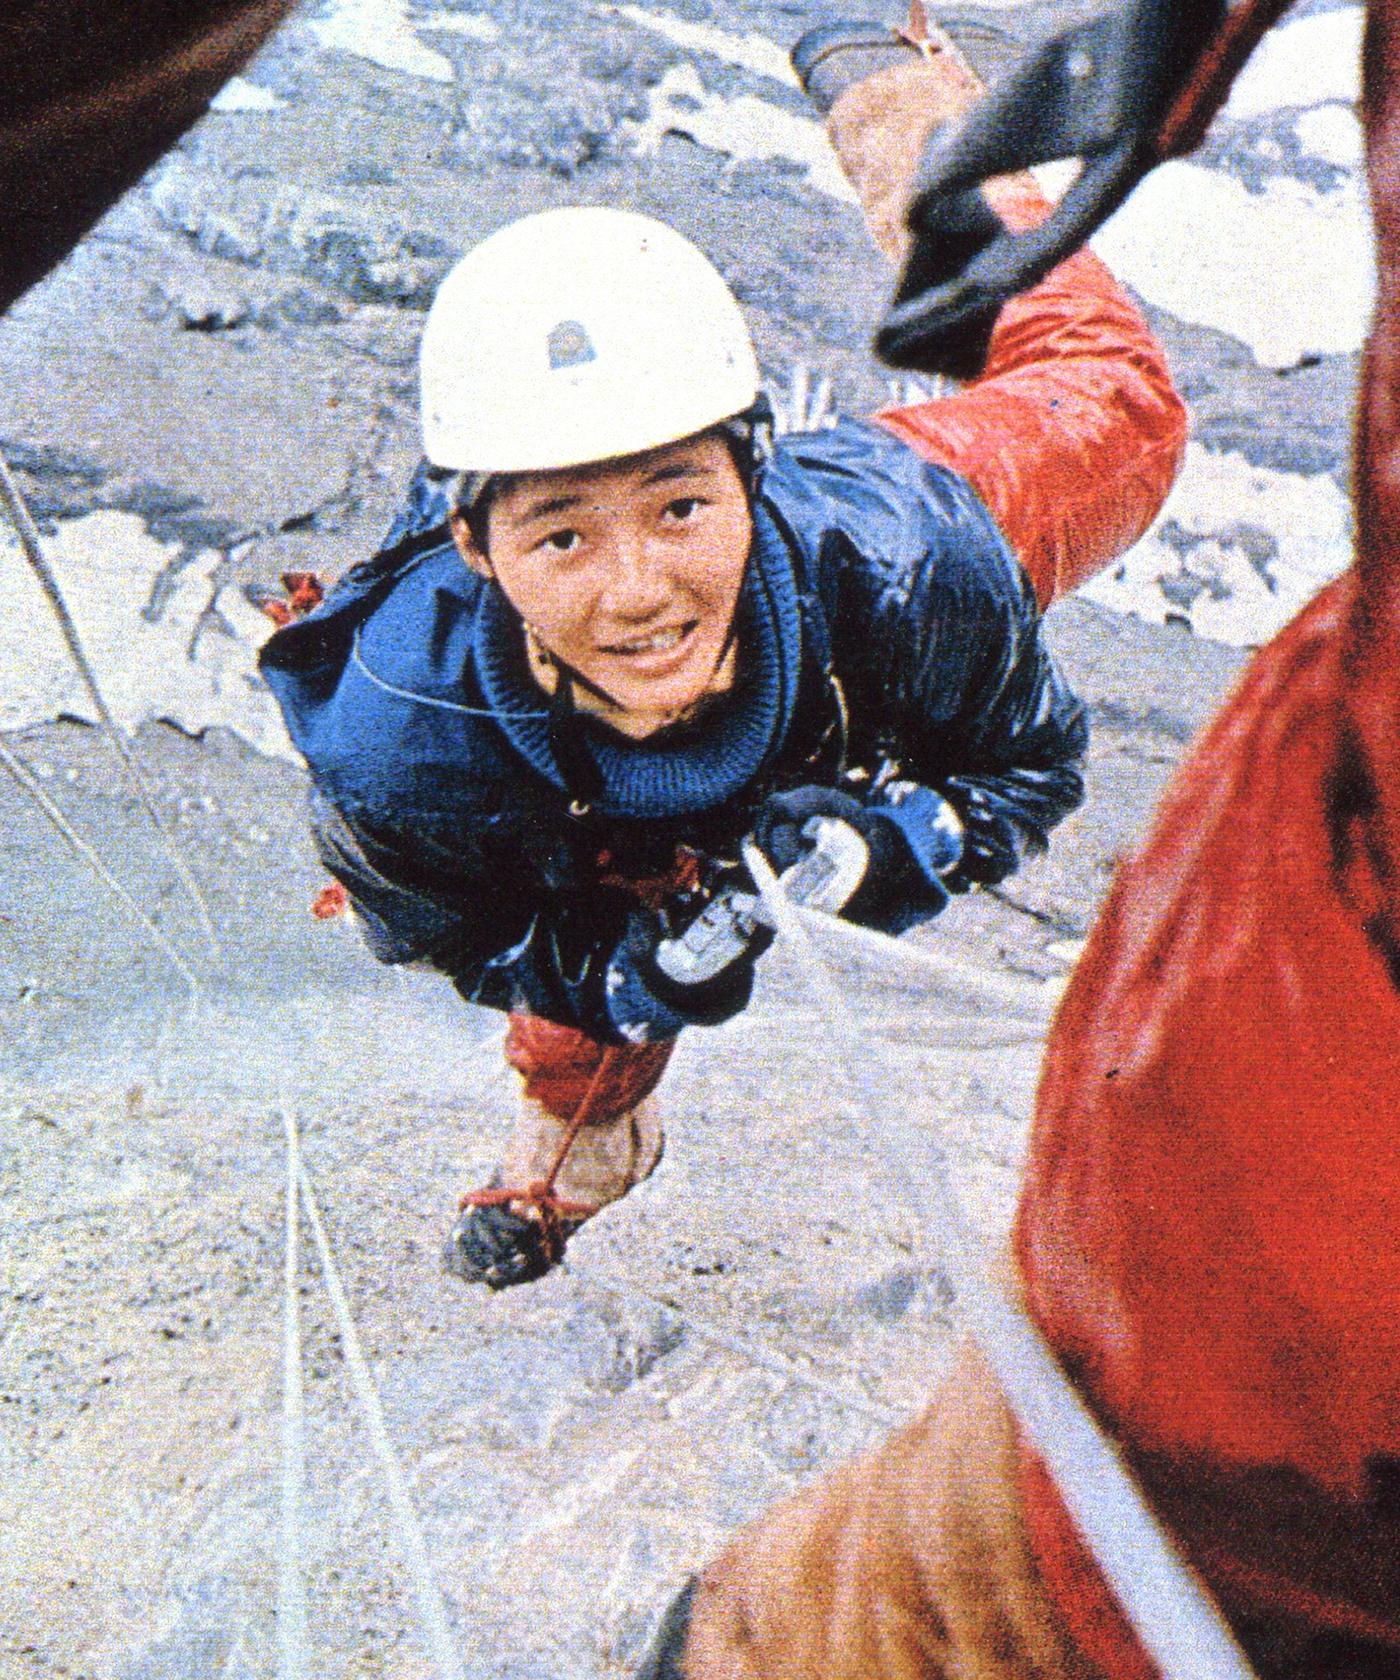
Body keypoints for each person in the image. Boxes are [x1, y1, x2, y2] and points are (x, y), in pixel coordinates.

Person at [634, 5, 1400, 1680]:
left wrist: (900, 113)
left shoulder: (862, 557)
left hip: (1212, 1400)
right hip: (1196, 1316)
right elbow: (1102, 409)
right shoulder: (869, 549)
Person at [258, 13, 1185, 1292]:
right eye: (564, 536)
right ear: (478, 548)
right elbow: (462, 934)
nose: (640, 593)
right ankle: (573, 1148)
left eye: (681, 507)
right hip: (575, 812)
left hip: (864, 557)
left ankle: (913, 126)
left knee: (1113, 398)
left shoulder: (908, 569)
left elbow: (1026, 769)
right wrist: (623, 973)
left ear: (755, 480)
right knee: (580, 1018)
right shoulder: (400, 738)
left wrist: (901, 844)